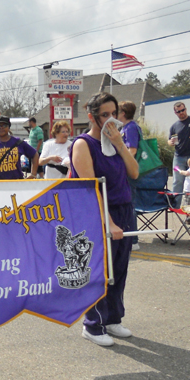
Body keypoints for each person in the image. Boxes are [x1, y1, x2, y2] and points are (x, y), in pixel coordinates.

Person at [70, 93, 139, 347]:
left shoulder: (115, 142)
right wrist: (108, 222)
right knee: (100, 270)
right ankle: (92, 324)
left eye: (115, 114)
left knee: (120, 267)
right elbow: (91, 188)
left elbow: (134, 172)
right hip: (97, 211)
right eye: (105, 115)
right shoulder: (83, 144)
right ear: (92, 117)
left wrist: (120, 144)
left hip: (124, 209)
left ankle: (112, 318)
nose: (112, 120)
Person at [119, 101, 143, 249]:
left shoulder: (130, 127)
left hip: (129, 169)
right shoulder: (126, 127)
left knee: (130, 204)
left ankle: (133, 239)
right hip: (127, 169)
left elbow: (132, 150)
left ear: (123, 113)